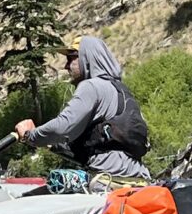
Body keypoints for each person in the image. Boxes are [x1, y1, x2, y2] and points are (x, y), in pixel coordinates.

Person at [14, 35, 152, 180]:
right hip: (138, 178)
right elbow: (89, 143)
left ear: (86, 58)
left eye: (70, 59)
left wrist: (31, 135)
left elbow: (62, 128)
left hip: (106, 180)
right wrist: (50, 144)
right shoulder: (122, 91)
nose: (65, 66)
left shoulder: (91, 86)